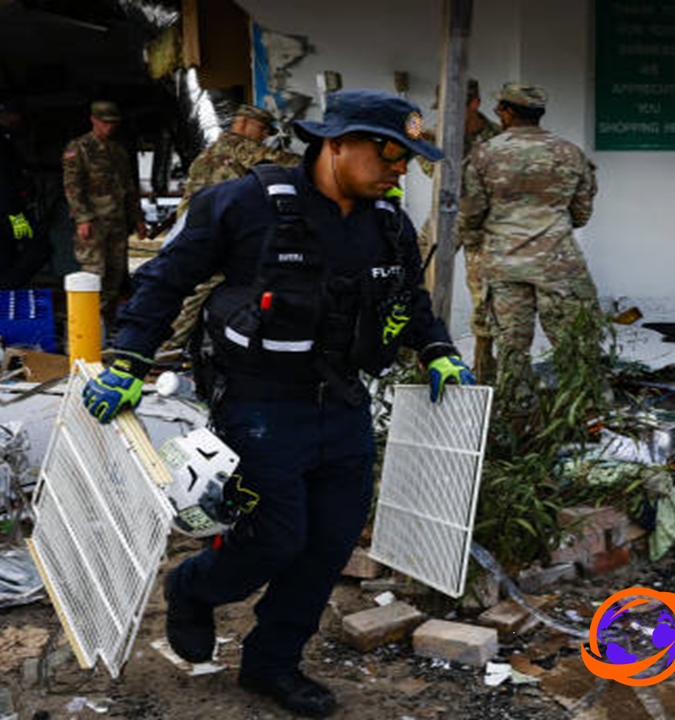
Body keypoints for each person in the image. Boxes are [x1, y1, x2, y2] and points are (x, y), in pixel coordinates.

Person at [80, 89, 476, 717]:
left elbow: (410, 303)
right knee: (273, 540)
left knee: (330, 542)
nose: (402, 167)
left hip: (343, 403)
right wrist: (128, 360)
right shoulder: (244, 202)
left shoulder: (388, 225)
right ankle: (191, 587)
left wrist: (437, 350)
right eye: (391, 153)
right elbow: (165, 277)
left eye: (408, 157)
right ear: (336, 142)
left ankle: (272, 665)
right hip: (260, 406)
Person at [459, 82, 598, 421]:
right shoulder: (570, 153)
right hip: (557, 264)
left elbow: (469, 213)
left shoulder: (484, 154)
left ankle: (518, 420)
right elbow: (582, 212)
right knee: (573, 346)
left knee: (511, 348)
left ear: (506, 112)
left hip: (503, 265)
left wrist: (482, 240)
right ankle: (581, 417)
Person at [159, 103, 302, 355]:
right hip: (207, 232)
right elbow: (287, 164)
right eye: (263, 130)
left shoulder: (214, 150)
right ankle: (165, 346)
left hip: (196, 227)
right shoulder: (236, 146)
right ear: (246, 124)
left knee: (192, 286)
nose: (264, 137)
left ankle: (170, 344)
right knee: (198, 289)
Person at [417, 79, 502, 380]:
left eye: (452, 110)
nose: (445, 116)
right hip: (444, 220)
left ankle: (484, 366)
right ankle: (419, 357)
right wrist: (421, 142)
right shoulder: (438, 134)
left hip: (483, 226)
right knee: (418, 282)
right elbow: (431, 170)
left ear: (474, 105)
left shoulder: (498, 138)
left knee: (484, 298)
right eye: (442, 110)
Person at [62, 100, 147, 322]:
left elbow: (129, 187)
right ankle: (90, 325)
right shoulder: (79, 148)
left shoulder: (117, 151)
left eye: (113, 123)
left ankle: (106, 324)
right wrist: (82, 218)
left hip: (117, 222)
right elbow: (72, 187)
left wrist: (138, 219)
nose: (109, 128)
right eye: (104, 123)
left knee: (116, 274)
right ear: (93, 120)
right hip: (94, 222)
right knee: (94, 273)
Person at [0, 98, 51, 288]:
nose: (20, 120)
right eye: (18, 115)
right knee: (38, 247)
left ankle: (2, 293)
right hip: (8, 210)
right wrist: (15, 212)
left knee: (4, 251)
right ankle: (6, 286)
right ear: (8, 116)